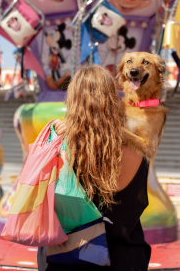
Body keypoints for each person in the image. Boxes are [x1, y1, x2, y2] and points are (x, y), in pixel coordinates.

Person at [37, 64, 151, 271]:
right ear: (112, 98)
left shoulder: (61, 147)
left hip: (69, 257)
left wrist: (60, 136)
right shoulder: (137, 148)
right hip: (126, 258)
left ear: (72, 101)